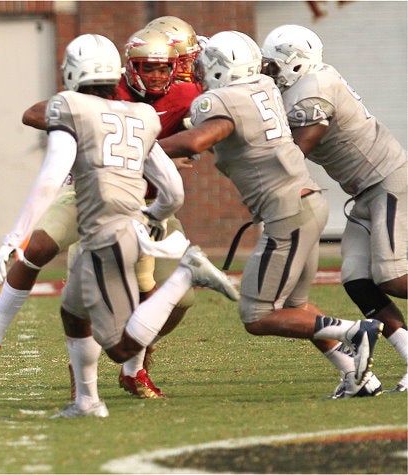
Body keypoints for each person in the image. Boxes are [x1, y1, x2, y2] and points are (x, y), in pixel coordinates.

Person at [0, 33, 239, 418]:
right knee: (76, 292)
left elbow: (211, 131)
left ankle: (131, 369)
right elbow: (35, 113)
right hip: (93, 199)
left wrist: (155, 153)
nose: (158, 76)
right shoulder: (107, 89)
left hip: (149, 204)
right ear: (128, 67)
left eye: (165, 67)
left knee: (171, 302)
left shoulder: (188, 95)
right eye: (149, 68)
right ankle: (82, 388)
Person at [158, 30, 384, 398]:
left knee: (258, 315)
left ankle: (354, 331)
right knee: (295, 307)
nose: (198, 70)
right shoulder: (262, 84)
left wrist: (144, 147)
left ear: (221, 70)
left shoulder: (220, 101)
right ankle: (358, 377)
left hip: (287, 211)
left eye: (205, 64)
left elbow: (201, 138)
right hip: (306, 203)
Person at [261, 25, 408, 394]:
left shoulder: (313, 91)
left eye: (275, 65)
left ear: (294, 64)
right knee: (358, 280)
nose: (271, 71)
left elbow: (297, 150)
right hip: (364, 192)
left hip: (388, 181)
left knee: (391, 277)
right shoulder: (307, 82)